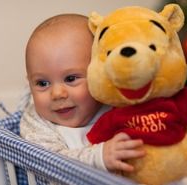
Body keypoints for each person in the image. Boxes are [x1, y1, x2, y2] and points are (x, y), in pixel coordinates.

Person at [20, 13, 145, 172]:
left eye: (71, 78)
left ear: (99, 73)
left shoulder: (115, 103)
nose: (57, 93)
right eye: (42, 83)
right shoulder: (36, 123)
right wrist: (98, 157)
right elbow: (49, 163)